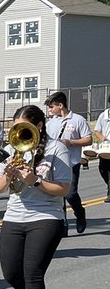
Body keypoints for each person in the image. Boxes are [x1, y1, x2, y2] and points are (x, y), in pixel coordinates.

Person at [0, 105, 71, 289]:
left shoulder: (56, 149)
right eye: (16, 127)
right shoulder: (11, 148)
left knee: (32, 273)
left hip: (46, 216)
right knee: (11, 274)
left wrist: (34, 180)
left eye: (23, 126)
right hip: (15, 216)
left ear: (38, 126)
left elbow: (63, 189)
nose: (19, 131)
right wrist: (8, 175)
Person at [44, 92, 92, 234]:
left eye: (51, 107)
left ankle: (80, 213)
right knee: (58, 195)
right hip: (54, 162)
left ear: (60, 105)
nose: (50, 110)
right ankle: (62, 225)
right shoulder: (51, 123)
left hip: (72, 162)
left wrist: (70, 142)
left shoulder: (78, 120)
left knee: (70, 193)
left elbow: (88, 140)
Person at [93, 94, 110, 203]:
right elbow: (97, 131)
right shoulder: (103, 115)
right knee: (103, 169)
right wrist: (102, 137)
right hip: (106, 147)